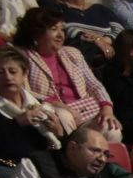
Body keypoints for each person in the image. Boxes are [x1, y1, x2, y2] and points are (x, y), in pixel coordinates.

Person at [17, 9, 120, 139]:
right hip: (54, 111)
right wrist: (57, 104)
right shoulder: (23, 56)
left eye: (62, 29)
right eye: (54, 29)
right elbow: (23, 91)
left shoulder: (72, 53)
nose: (60, 35)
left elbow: (94, 84)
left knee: (112, 129)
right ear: (36, 33)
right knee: (65, 116)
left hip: (84, 111)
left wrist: (106, 109)